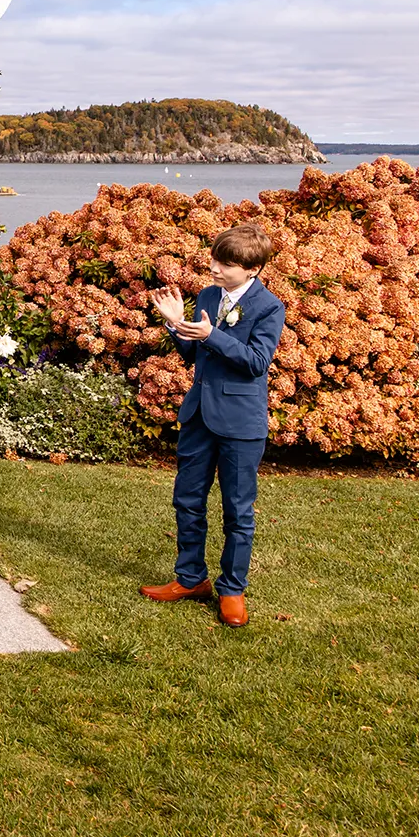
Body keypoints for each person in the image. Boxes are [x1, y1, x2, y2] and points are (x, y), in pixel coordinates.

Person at [142, 223, 284, 628]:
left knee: (237, 511)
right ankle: (190, 579)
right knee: (187, 499)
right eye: (214, 260)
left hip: (241, 423)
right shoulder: (206, 295)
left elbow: (256, 362)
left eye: (225, 264)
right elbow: (192, 354)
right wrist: (175, 323)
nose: (215, 269)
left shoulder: (269, 306)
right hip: (199, 415)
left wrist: (211, 335)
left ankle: (232, 590)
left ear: (252, 270)